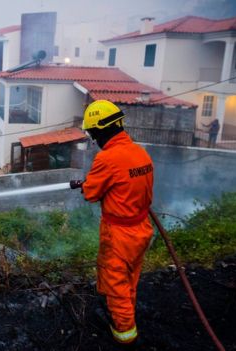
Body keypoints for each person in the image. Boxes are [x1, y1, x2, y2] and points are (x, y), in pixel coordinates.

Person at [69, 100, 154, 346]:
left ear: (102, 129)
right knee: (129, 280)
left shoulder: (108, 158)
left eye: (93, 133)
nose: (93, 139)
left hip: (119, 235)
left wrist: (87, 184)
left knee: (116, 285)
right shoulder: (140, 152)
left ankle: (125, 336)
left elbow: (91, 194)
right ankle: (125, 318)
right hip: (141, 229)